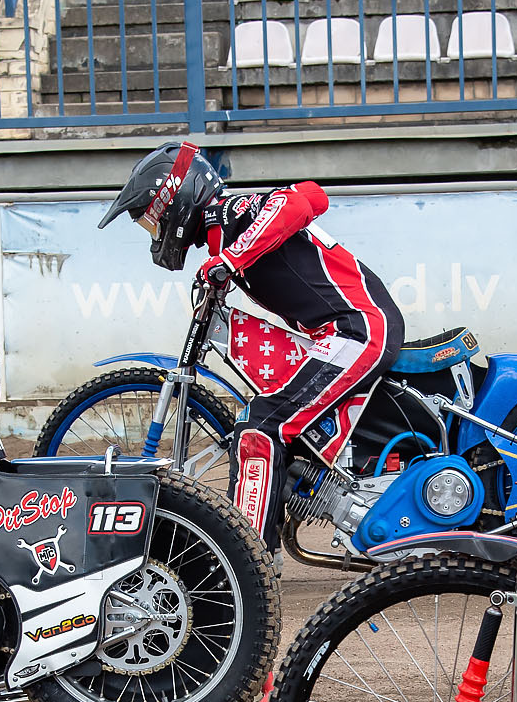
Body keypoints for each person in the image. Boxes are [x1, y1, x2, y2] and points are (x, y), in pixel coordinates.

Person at [98, 143, 406, 558]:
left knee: (261, 428)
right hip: (341, 333)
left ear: (174, 197)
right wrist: (227, 264)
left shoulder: (232, 212)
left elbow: (310, 196)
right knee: (264, 418)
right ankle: (267, 544)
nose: (155, 232)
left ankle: (248, 562)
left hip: (356, 331)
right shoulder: (221, 235)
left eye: (151, 219)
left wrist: (233, 258)